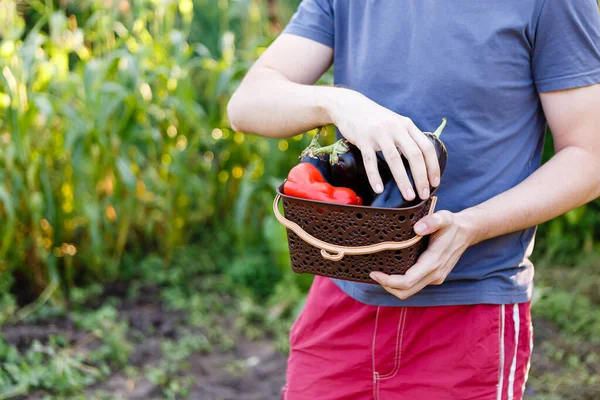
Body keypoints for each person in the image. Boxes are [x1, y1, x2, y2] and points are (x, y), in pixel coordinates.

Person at [227, 1, 600, 399]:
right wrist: (338, 102)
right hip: (341, 300)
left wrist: (472, 226)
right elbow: (246, 105)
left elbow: (589, 156)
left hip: (467, 313)